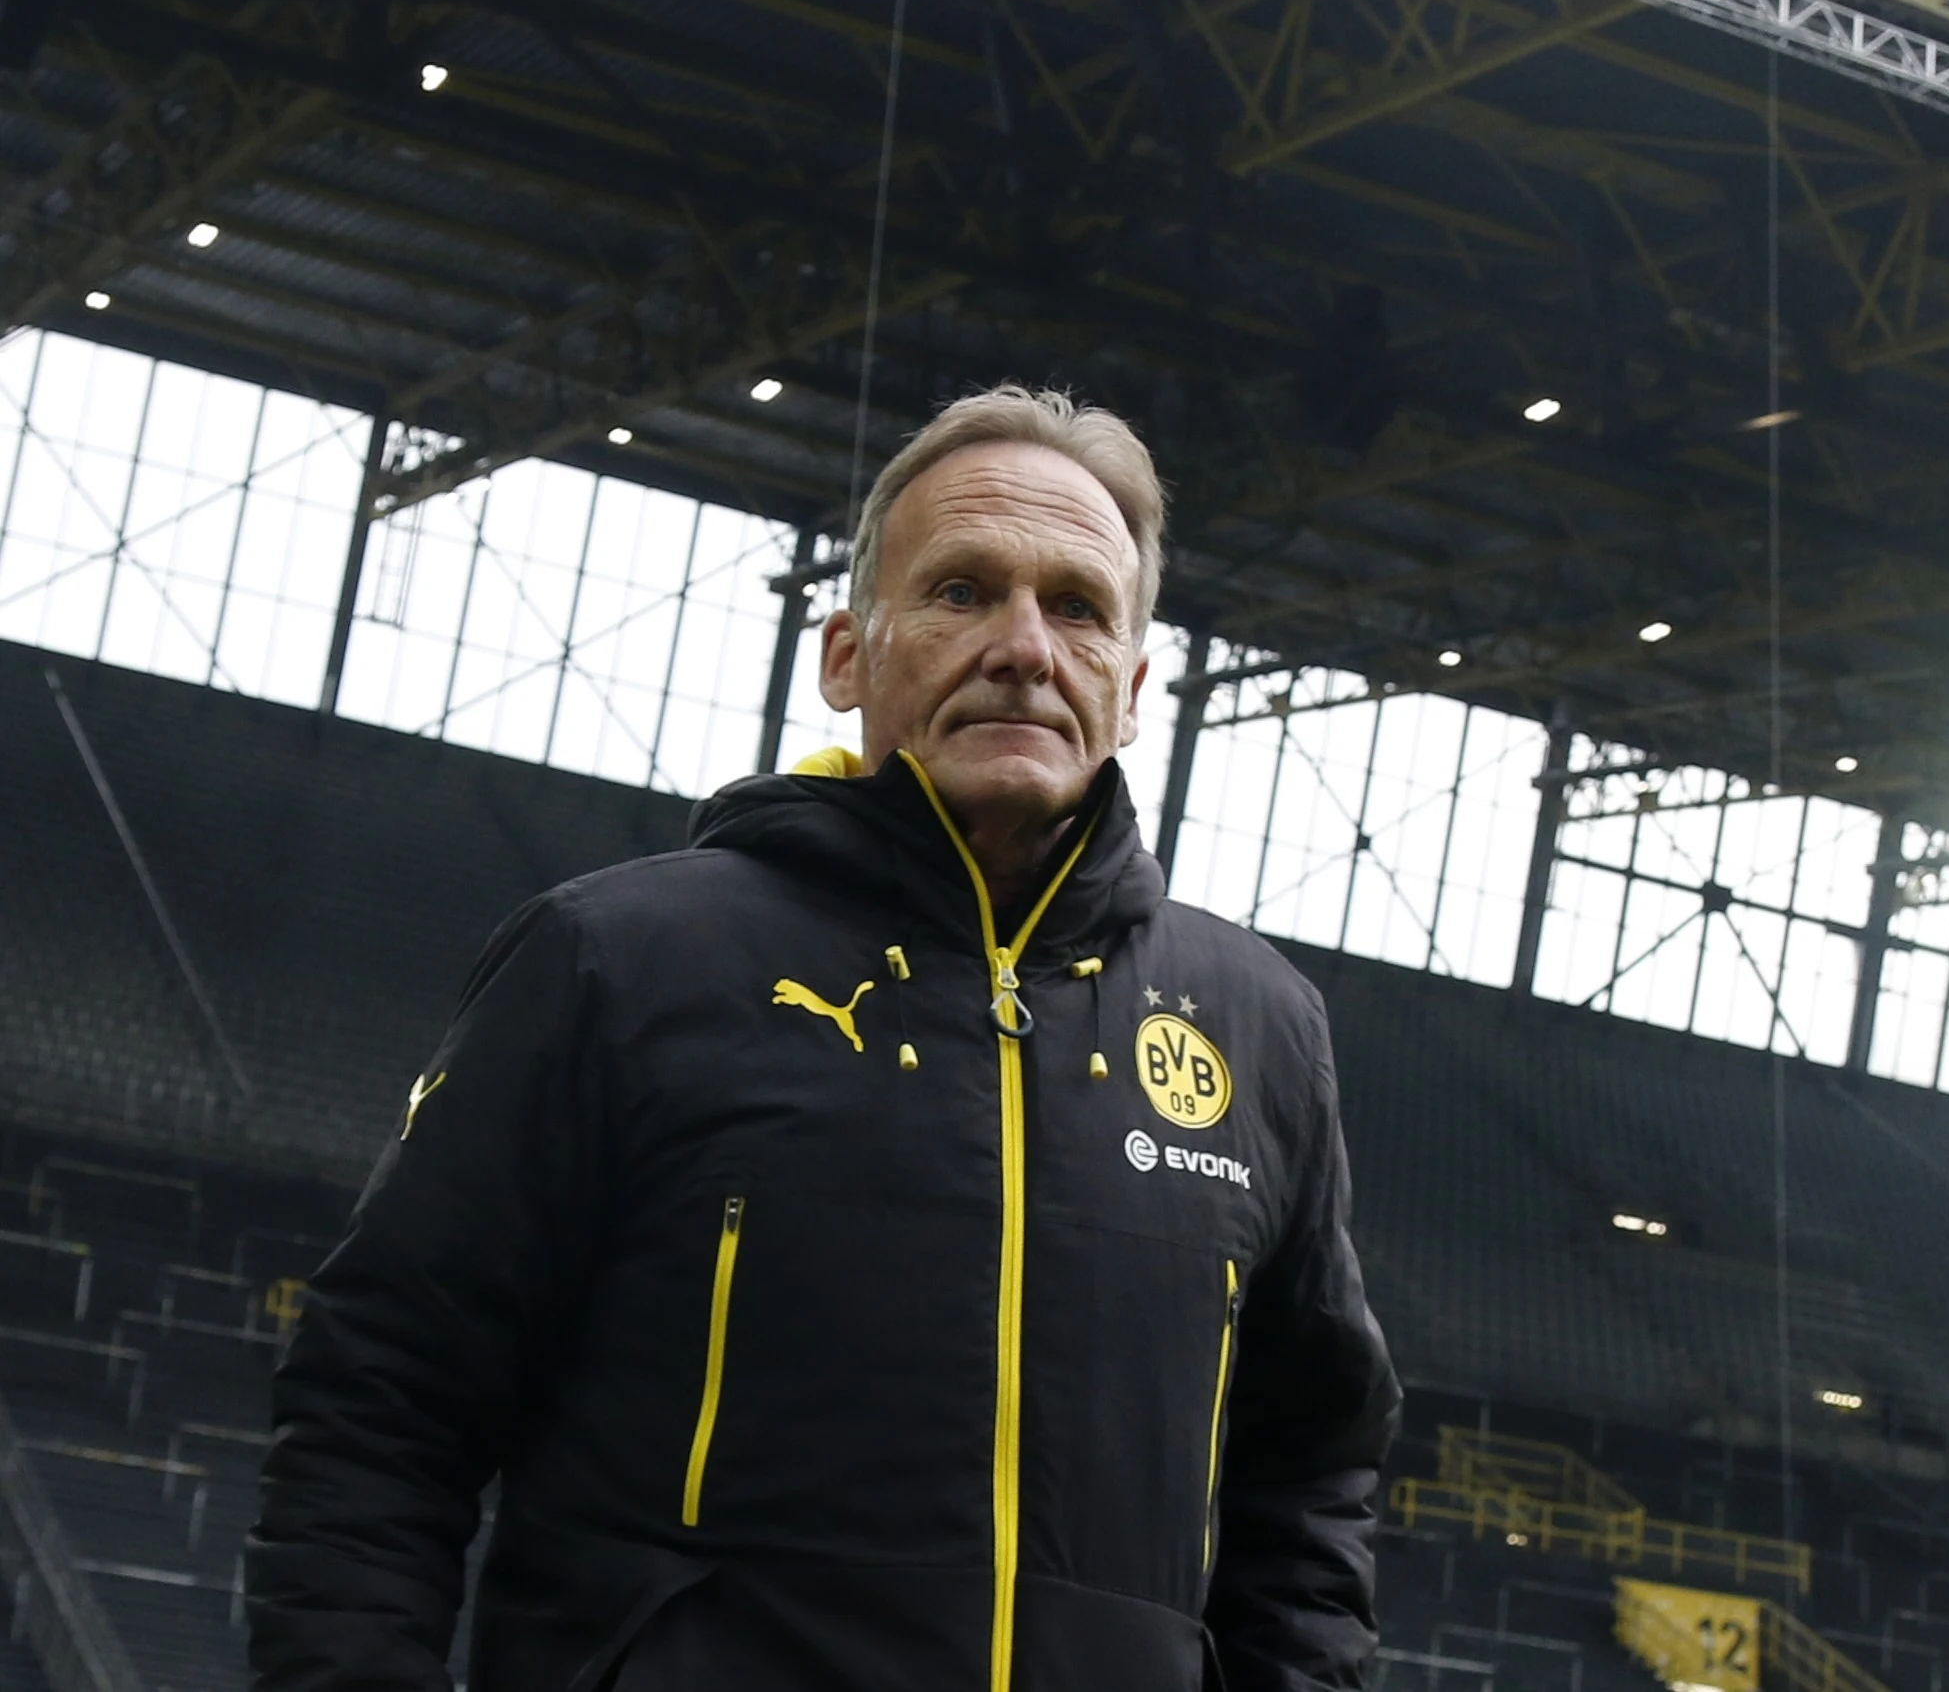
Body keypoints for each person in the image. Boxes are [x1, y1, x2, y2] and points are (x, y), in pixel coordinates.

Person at [246, 387, 1401, 1692]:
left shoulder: (1261, 1028)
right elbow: (381, 1398)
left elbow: (1306, 1487)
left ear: (1132, 687)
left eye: (1077, 606)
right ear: (848, 653)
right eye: (964, 590)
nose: (1025, 644)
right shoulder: (617, 961)